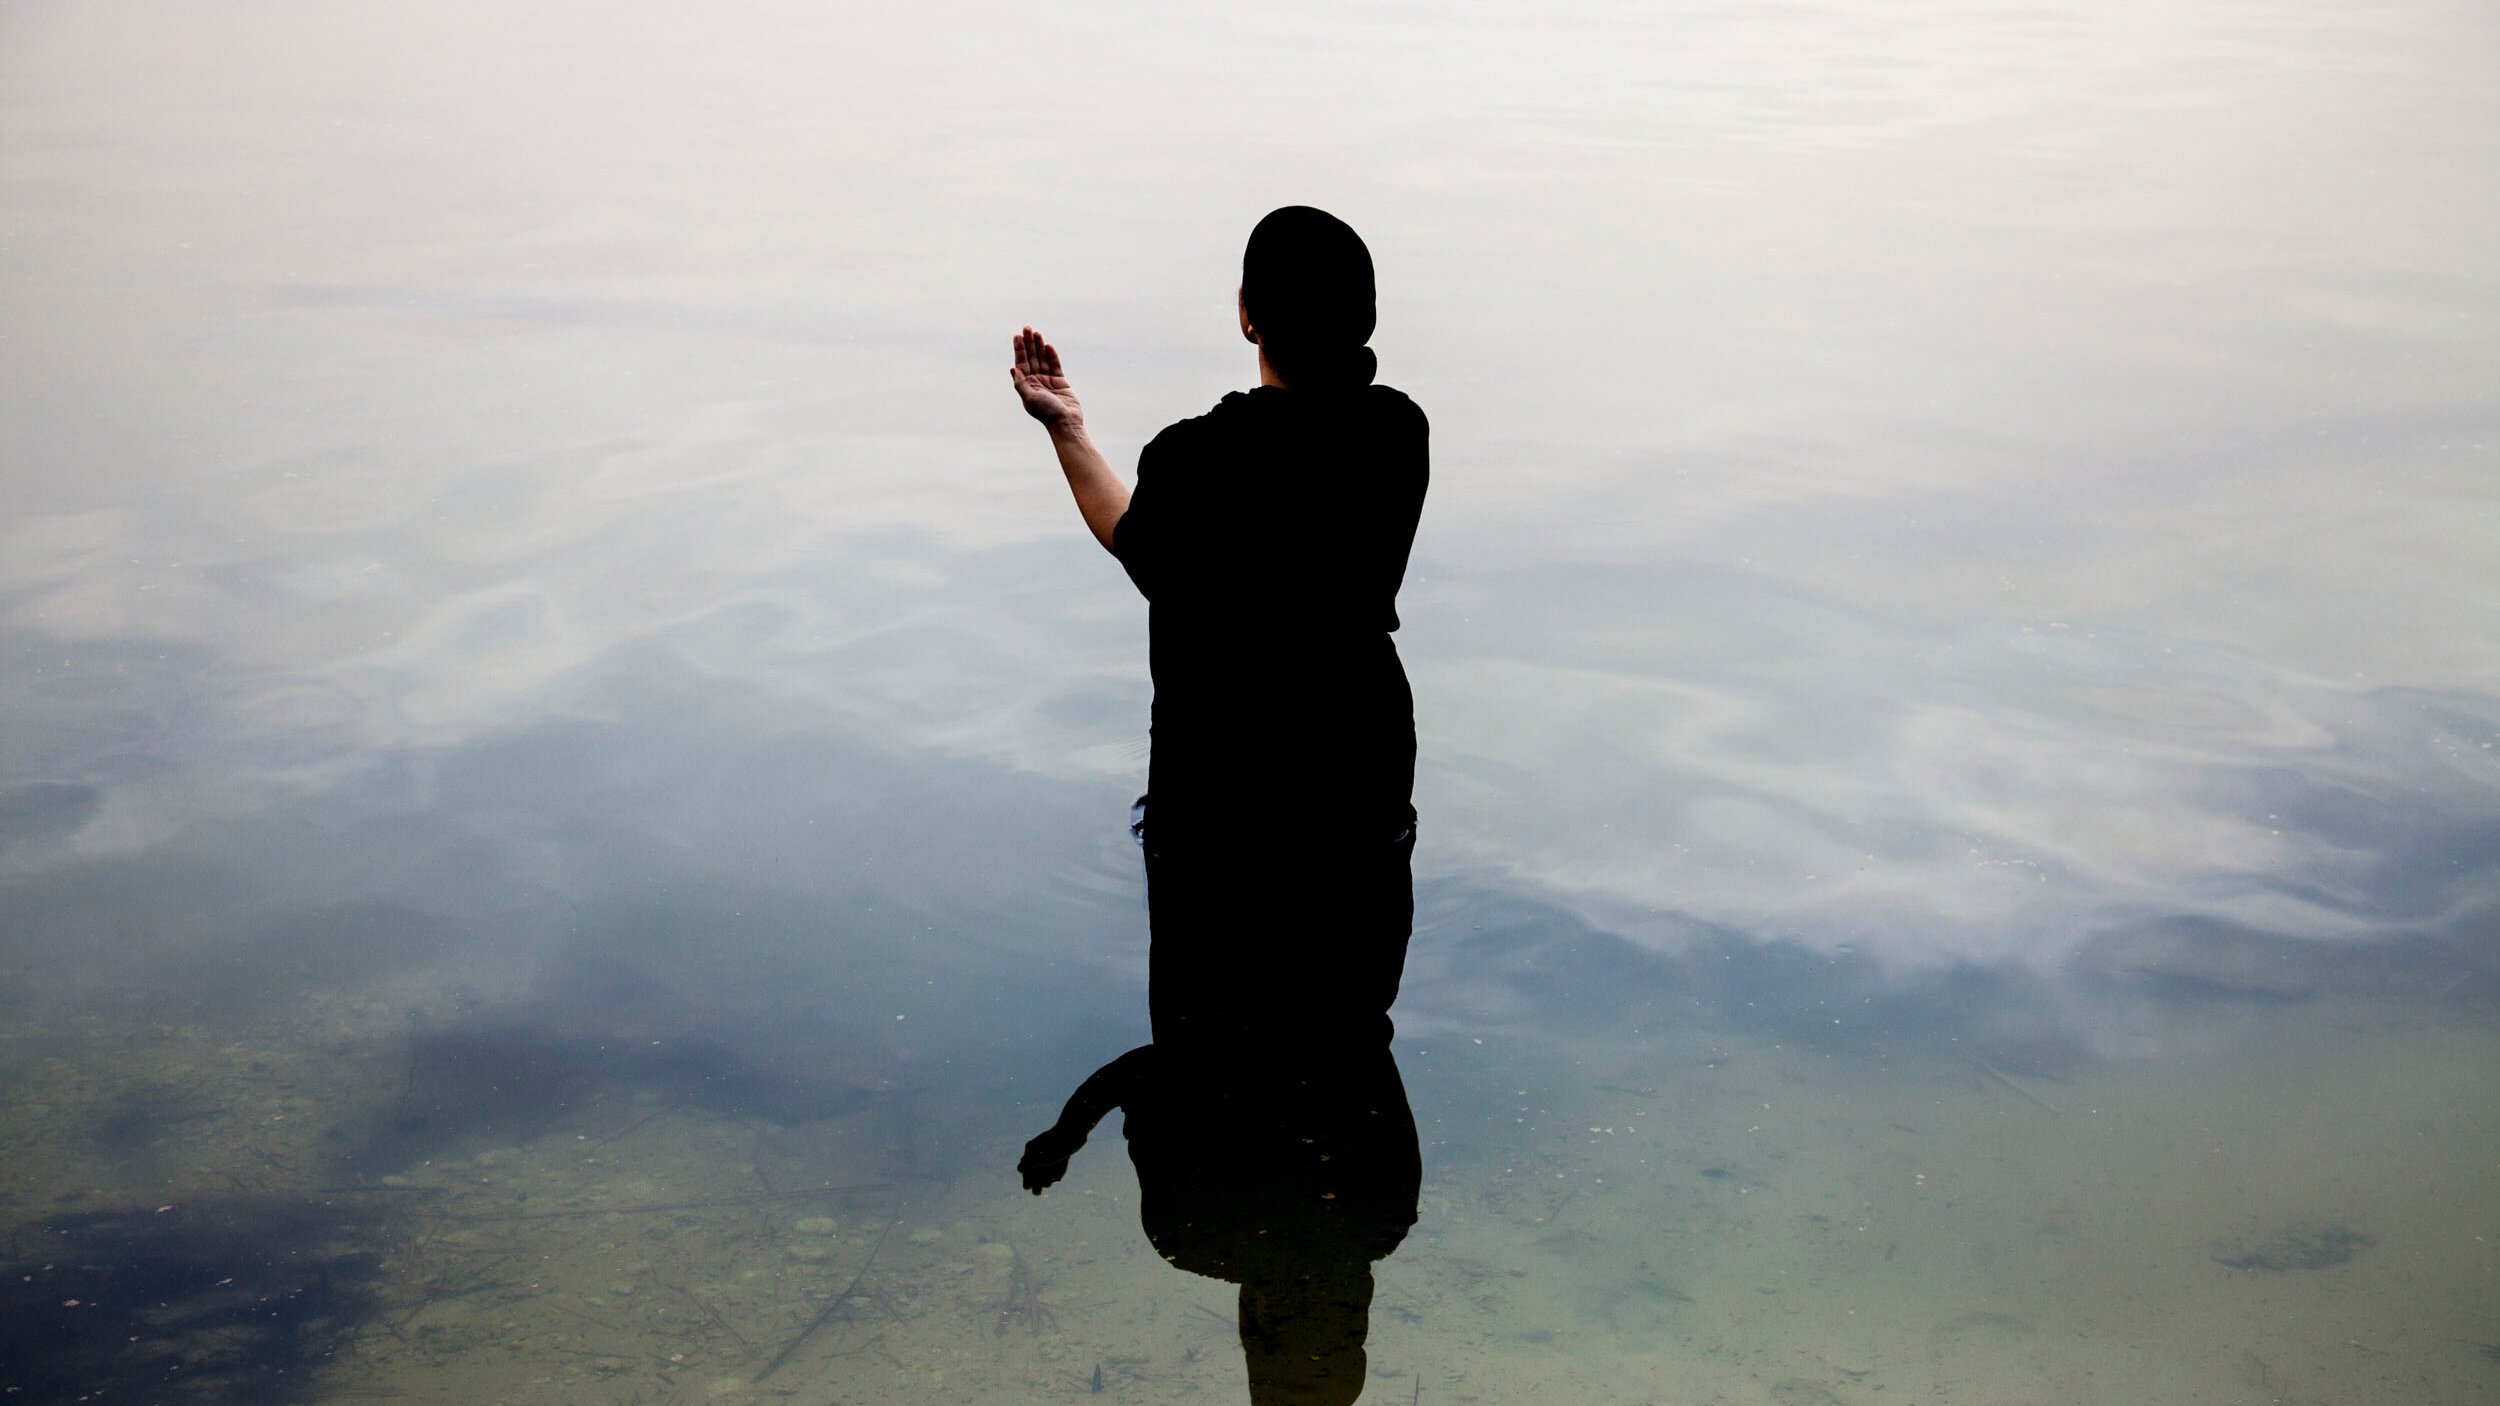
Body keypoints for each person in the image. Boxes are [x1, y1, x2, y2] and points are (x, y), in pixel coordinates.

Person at [1009, 206, 1429, 1050]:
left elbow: (1136, 543)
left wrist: (1065, 428)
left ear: (1248, 316)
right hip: (1357, 804)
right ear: (1367, 318)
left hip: (1218, 829)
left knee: (1204, 1070)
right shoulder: (1398, 435)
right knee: (1352, 1040)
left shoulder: (1190, 461)